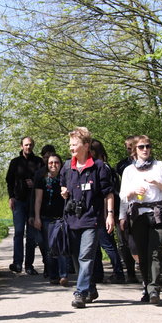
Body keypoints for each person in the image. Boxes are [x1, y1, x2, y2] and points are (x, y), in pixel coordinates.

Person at [60, 127, 115, 308]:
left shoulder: (99, 167)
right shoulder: (68, 167)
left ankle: (80, 292)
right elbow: (63, 186)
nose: (71, 148)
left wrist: (110, 216)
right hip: (72, 219)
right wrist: (64, 192)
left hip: (92, 219)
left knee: (85, 257)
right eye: (70, 145)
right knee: (76, 258)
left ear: (86, 145)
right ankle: (90, 288)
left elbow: (109, 194)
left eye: (74, 144)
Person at [119, 135, 162, 304]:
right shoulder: (129, 170)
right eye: (141, 147)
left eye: (148, 146)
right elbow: (122, 196)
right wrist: (132, 192)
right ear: (135, 150)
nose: (145, 149)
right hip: (138, 215)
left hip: (158, 213)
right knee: (142, 254)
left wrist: (158, 184)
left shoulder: (160, 166)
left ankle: (154, 290)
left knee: (156, 252)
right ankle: (146, 285)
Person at [6, 136, 44, 274]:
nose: (28, 147)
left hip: (34, 202)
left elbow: (43, 181)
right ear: (21, 146)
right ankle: (17, 264)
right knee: (19, 232)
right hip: (19, 201)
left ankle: (29, 265)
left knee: (31, 235)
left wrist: (34, 184)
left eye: (31, 145)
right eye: (26, 145)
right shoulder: (15, 162)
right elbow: (9, 181)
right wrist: (11, 197)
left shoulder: (38, 162)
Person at [90, 139, 125, 284]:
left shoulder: (102, 168)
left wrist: (107, 214)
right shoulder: (105, 167)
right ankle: (98, 273)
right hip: (100, 211)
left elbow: (107, 193)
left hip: (103, 212)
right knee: (97, 244)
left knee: (107, 244)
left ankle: (118, 273)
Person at [33, 153, 68, 286]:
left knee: (62, 247)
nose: (54, 165)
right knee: (50, 248)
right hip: (46, 217)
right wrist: (36, 217)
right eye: (51, 163)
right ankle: (53, 275)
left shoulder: (65, 178)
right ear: (47, 165)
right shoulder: (42, 179)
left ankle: (63, 275)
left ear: (60, 164)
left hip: (62, 217)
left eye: (56, 162)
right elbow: (38, 200)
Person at [115, 136, 139, 283]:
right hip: (125, 204)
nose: (129, 149)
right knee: (125, 242)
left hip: (143, 207)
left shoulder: (153, 165)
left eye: (131, 146)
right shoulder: (122, 166)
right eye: (127, 147)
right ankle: (130, 272)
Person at [31, 144, 57, 278]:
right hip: (41, 213)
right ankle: (48, 265)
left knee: (53, 243)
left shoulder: (61, 172)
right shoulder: (39, 174)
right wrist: (33, 215)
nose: (48, 160)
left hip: (56, 214)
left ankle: (53, 269)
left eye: (50, 157)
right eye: (45, 157)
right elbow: (34, 197)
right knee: (41, 242)